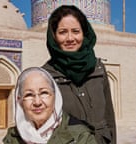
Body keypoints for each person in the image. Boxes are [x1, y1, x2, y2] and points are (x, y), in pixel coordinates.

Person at [42, 5, 116, 144]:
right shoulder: (45, 76)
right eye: (63, 32)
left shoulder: (98, 69)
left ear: (84, 33)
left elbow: (109, 118)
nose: (70, 38)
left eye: (76, 31)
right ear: (54, 36)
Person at [3, 67, 97, 144]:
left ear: (55, 97)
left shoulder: (80, 136)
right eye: (29, 95)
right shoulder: (13, 137)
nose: (37, 102)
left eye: (44, 93)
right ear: (20, 101)